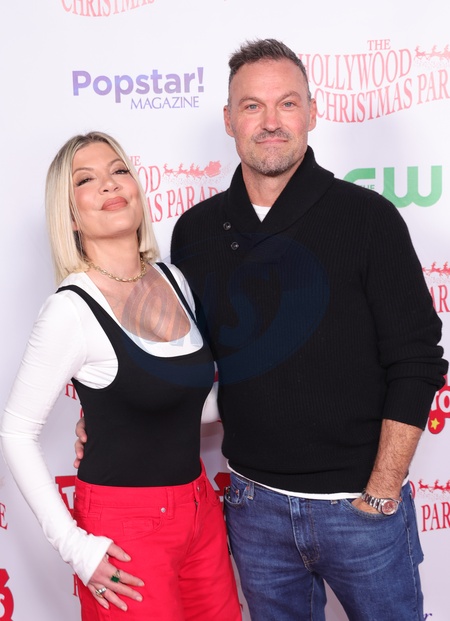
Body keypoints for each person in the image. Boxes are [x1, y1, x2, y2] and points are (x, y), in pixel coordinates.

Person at [169, 39, 447, 620]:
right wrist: (109, 420)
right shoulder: (195, 233)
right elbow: (182, 364)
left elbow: (417, 357)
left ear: (312, 114)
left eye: (287, 103)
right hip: (252, 507)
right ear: (228, 119)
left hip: (361, 507)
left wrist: (383, 489)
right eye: (252, 106)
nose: (270, 122)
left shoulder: (366, 218)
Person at [0, 132, 241, 620]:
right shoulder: (70, 310)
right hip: (125, 531)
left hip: (200, 510)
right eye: (86, 180)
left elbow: (187, 404)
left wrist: (273, 390)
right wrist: (74, 546)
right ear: (70, 216)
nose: (109, 184)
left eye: (118, 171)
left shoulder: (174, 280)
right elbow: (17, 432)